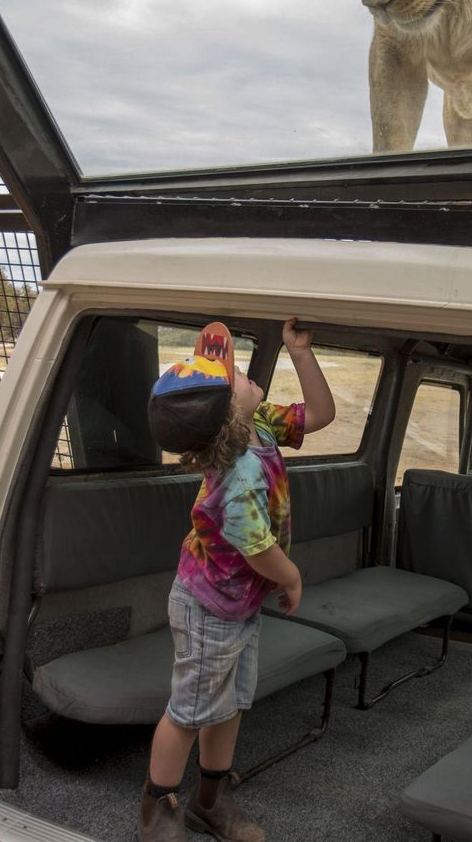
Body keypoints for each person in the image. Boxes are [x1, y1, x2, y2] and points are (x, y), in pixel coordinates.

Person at [138, 317, 336, 842]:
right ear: (229, 415)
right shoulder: (236, 478)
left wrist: (299, 352)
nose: (244, 373)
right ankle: (157, 810)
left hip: (237, 605)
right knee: (188, 712)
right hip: (208, 607)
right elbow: (259, 549)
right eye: (234, 377)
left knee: (228, 705)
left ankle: (210, 798)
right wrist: (292, 578)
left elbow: (320, 414)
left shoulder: (260, 424)